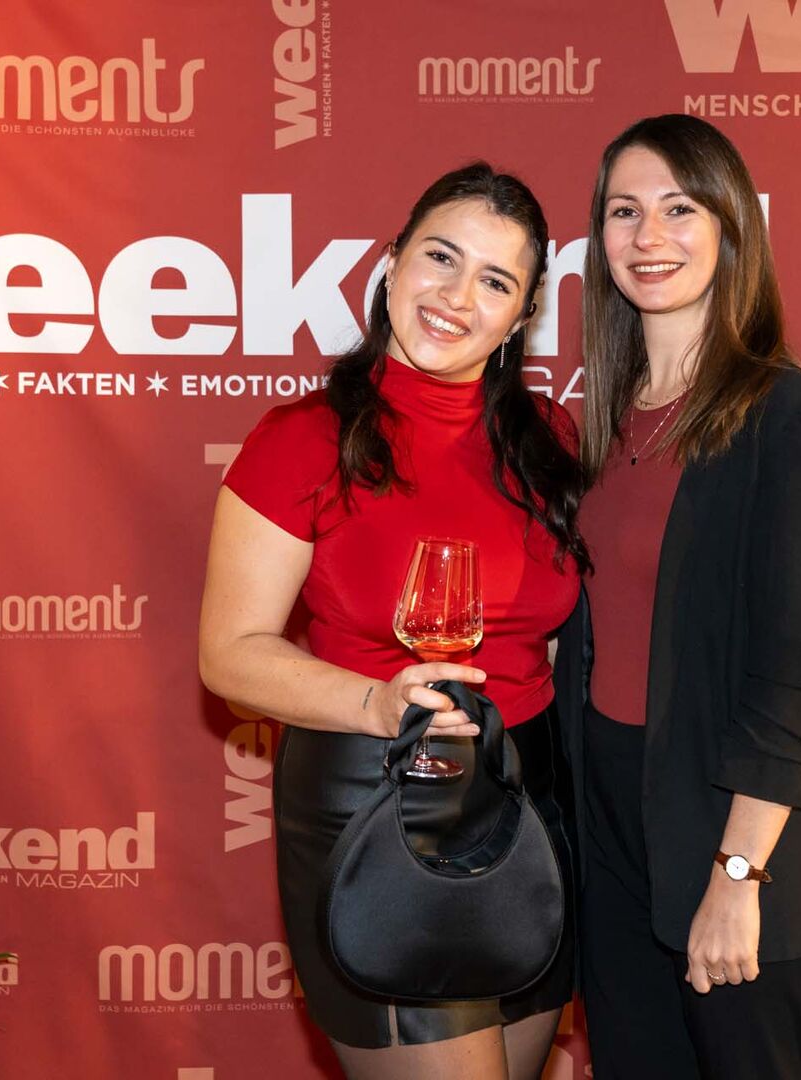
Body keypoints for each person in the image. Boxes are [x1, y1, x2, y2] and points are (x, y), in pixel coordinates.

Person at [198, 162, 587, 1080]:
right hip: (376, 802)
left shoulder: (551, 441)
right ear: (390, 262)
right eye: (440, 258)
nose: (457, 297)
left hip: (531, 802)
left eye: (495, 281)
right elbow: (230, 654)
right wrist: (378, 704)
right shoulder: (300, 441)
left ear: (521, 315)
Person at [556, 113, 801, 1079]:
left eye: (678, 208)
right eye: (623, 211)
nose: (648, 236)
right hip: (611, 838)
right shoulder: (598, 425)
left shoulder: (798, 422)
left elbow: (794, 682)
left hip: (734, 843)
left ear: (732, 228)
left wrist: (738, 877)